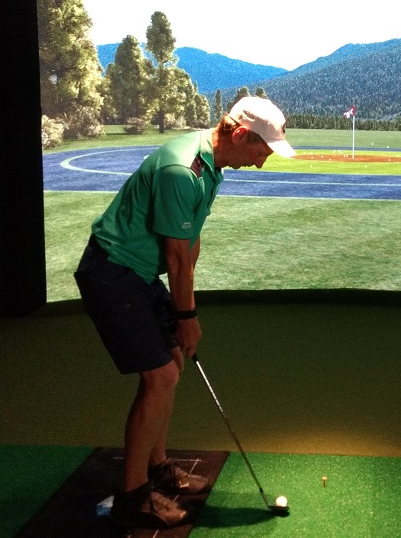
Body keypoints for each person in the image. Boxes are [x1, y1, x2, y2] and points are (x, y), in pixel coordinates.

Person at [74, 96, 296, 529]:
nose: (261, 162)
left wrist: (183, 314)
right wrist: (186, 316)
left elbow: (189, 245)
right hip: (112, 272)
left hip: (138, 274)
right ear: (239, 134)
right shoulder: (183, 171)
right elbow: (176, 257)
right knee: (159, 376)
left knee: (172, 362)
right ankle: (134, 496)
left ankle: (158, 469)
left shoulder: (211, 166)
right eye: (261, 151)